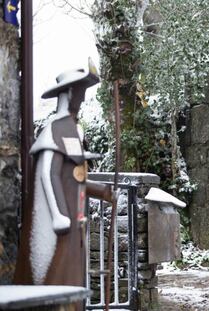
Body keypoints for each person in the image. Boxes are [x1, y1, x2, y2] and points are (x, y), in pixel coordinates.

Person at [14, 59, 115, 295]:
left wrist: (104, 192)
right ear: (68, 93)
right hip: (60, 224)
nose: (82, 98)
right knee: (57, 279)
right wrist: (59, 214)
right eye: (80, 92)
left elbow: (74, 178)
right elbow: (48, 174)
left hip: (74, 222)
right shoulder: (55, 128)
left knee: (72, 280)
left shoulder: (73, 129)